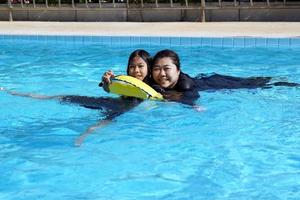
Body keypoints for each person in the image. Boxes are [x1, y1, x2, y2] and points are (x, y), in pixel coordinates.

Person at [0, 49, 152, 146]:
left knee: (96, 125)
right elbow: (107, 89)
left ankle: (83, 137)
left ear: (148, 68)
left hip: (123, 109)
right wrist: (106, 81)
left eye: (140, 66)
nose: (136, 70)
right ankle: (15, 92)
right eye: (132, 66)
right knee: (63, 97)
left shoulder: (153, 88)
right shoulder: (126, 82)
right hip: (111, 102)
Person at [149, 49, 299, 106]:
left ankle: (289, 84)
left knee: (254, 85)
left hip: (218, 83)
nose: (161, 74)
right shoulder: (161, 80)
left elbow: (191, 96)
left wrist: (173, 99)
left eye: (166, 69)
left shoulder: (186, 85)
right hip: (208, 78)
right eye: (157, 69)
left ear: (178, 70)